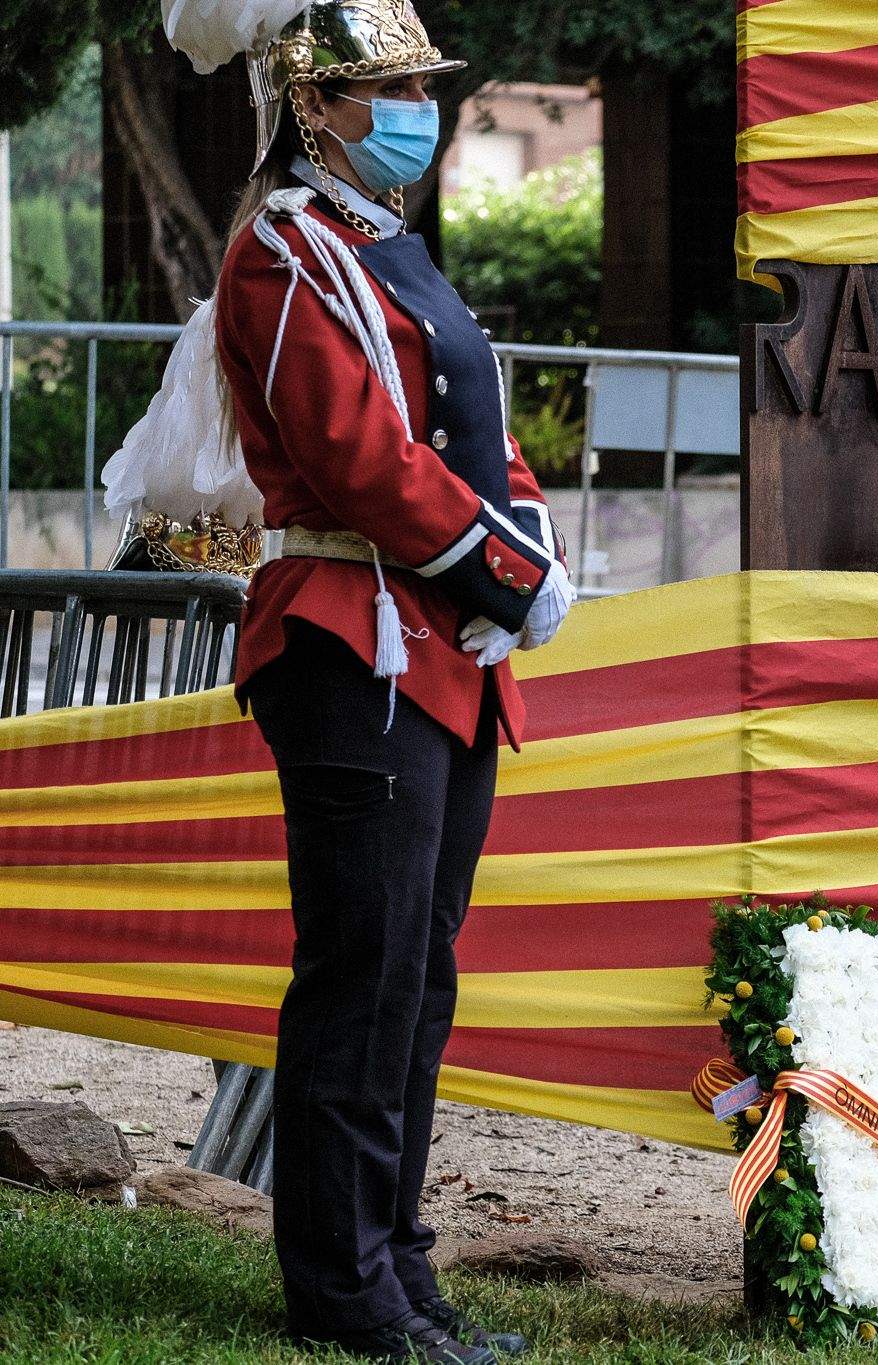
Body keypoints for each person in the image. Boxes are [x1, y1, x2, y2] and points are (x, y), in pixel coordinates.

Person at [196, 1, 575, 1358]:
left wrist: (531, 548)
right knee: (362, 977)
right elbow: (362, 460)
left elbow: (475, 425)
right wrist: (505, 574)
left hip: (438, 646)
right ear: (319, 108)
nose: (419, 108)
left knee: (417, 980)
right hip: (353, 638)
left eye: (422, 84)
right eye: (392, 88)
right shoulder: (284, 250)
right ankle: (341, 1287)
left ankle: (395, 1264)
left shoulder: (383, 247)